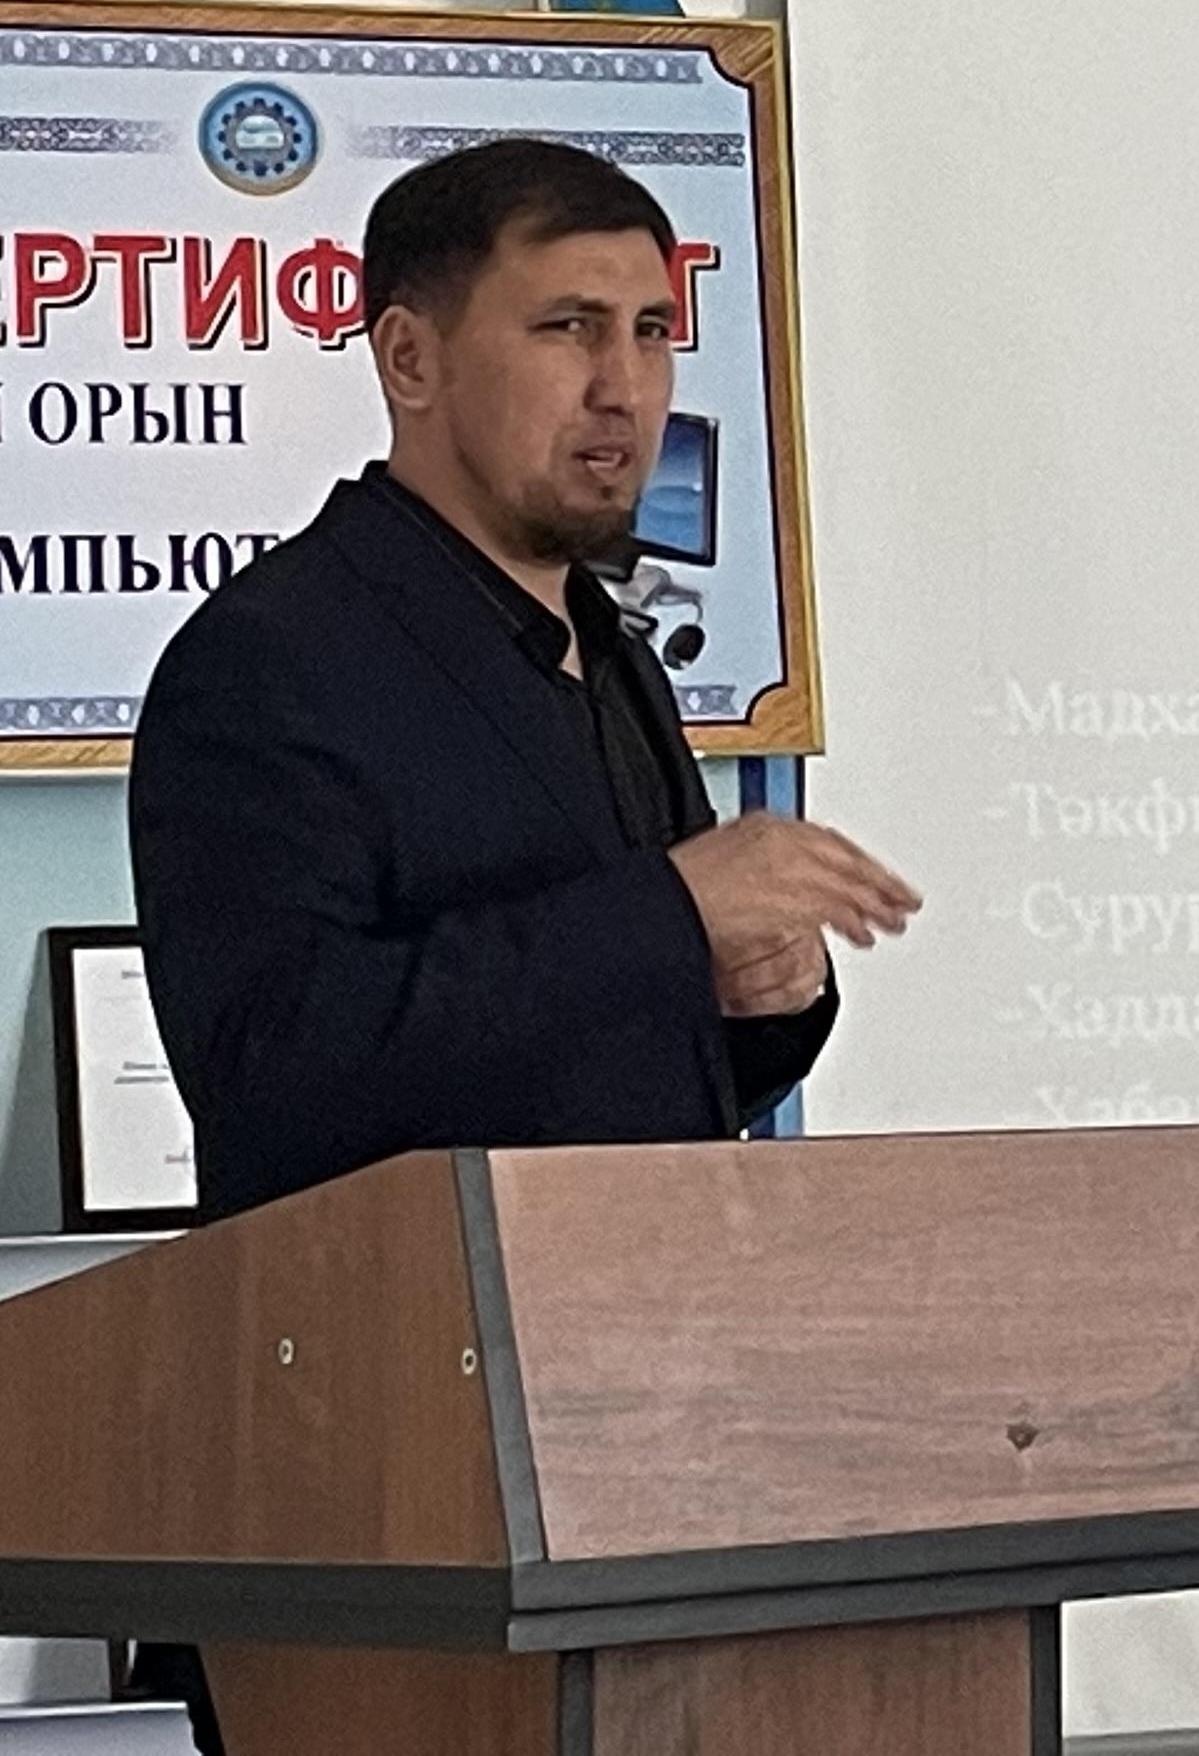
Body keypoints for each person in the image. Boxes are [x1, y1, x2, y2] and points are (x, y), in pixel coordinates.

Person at [123, 136, 920, 1750]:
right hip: (387, 1489)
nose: (626, 387)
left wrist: (763, 1001)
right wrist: (669, 913)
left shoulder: (611, 653)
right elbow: (275, 1063)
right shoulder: (269, 661)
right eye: (567, 329)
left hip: (647, 1453)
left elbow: (627, 1043)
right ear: (408, 358)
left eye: (652, 331)